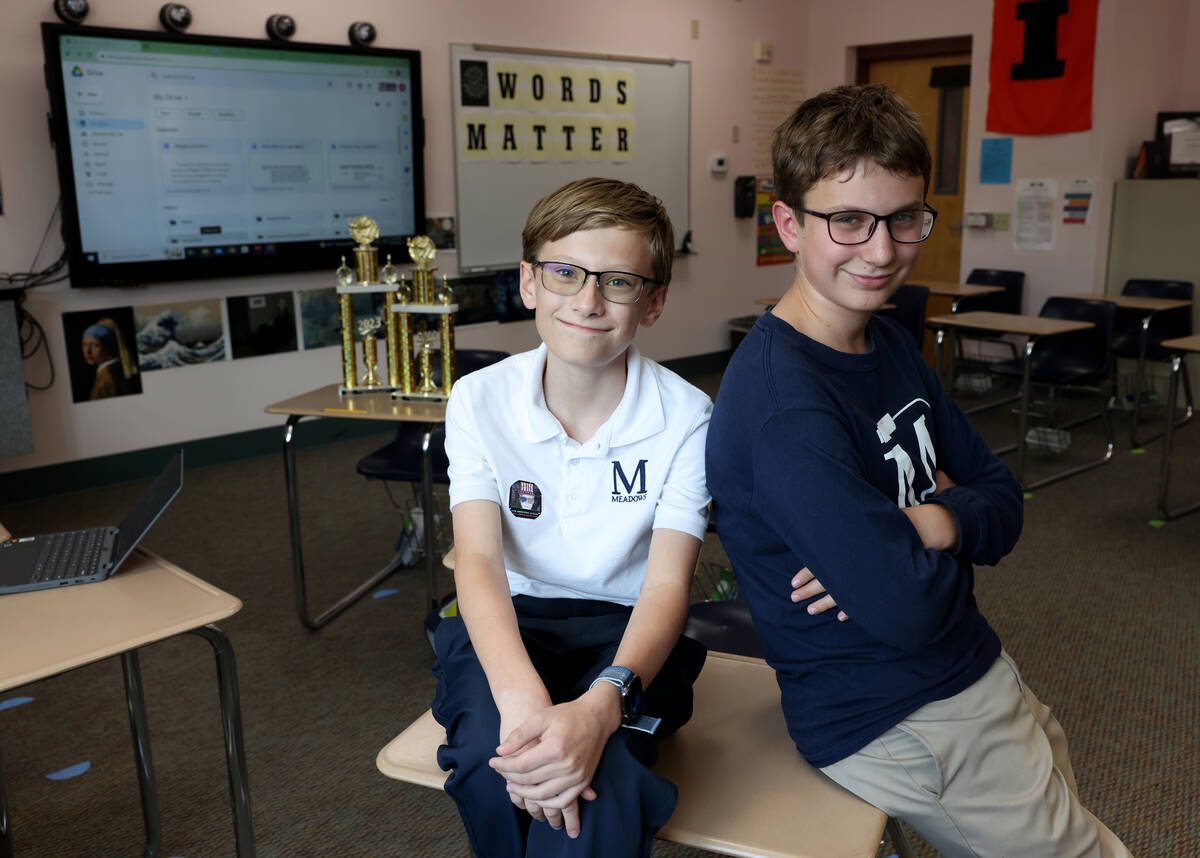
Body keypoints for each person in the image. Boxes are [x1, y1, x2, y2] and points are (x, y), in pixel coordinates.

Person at [705, 84, 1130, 857]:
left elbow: (1006, 502)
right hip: (895, 712)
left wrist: (927, 525)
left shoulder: (889, 341)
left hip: (969, 666)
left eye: (903, 218)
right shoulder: (784, 408)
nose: (881, 249)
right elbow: (906, 610)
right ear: (789, 223)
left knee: (1072, 809)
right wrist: (914, 557)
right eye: (848, 221)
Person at [432, 177, 711, 858]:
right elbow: (477, 559)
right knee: (497, 759)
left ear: (654, 301)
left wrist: (603, 702)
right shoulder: (478, 400)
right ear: (529, 283)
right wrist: (521, 696)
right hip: (514, 622)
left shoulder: (689, 418)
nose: (588, 301)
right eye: (565, 274)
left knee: (605, 775)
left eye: (619, 282)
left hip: (628, 635)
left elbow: (668, 585)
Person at [81, 317, 139, 399]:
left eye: (95, 345)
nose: (88, 351)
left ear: (109, 347)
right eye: (84, 344)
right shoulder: (107, 372)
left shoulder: (109, 378)